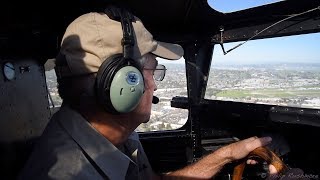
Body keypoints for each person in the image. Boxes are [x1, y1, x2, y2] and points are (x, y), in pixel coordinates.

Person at [18, 6, 279, 180]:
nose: (154, 85)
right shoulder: (67, 173)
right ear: (121, 82)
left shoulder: (117, 134)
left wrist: (226, 155)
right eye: (152, 71)